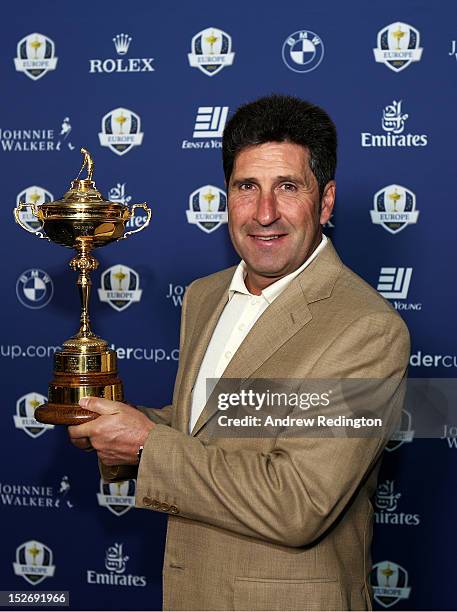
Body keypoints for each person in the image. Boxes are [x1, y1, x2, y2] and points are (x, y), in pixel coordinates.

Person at [69, 94, 410, 611]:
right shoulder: (203, 296)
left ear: (327, 201)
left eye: (288, 187)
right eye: (247, 187)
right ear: (226, 196)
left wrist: (145, 447)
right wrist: (123, 423)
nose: (264, 213)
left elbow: (300, 501)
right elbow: (216, 424)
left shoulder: (367, 329)